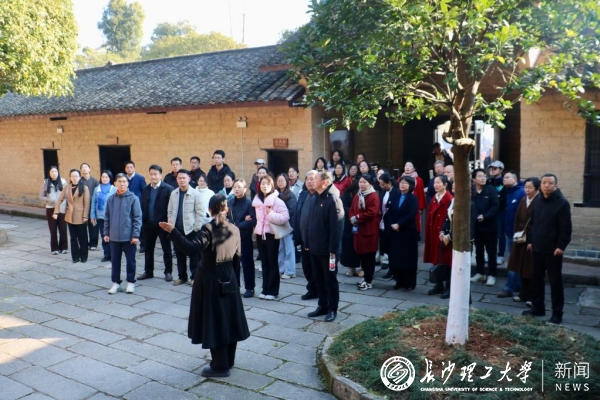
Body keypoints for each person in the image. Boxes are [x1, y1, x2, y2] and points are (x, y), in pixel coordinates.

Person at [160, 194, 250, 378]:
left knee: (215, 321)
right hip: (229, 278)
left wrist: (173, 232)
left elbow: (191, 248)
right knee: (229, 319)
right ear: (226, 209)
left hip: (210, 279)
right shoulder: (234, 228)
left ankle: (220, 366)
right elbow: (237, 257)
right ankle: (228, 360)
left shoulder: (209, 229)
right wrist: (231, 278)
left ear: (210, 210)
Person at [523, 173, 572, 325]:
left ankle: (557, 313)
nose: (546, 185)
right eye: (544, 182)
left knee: (555, 282)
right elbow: (533, 223)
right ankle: (538, 308)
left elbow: (566, 228)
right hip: (537, 247)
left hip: (553, 250)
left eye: (550, 183)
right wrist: (531, 241)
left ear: (556, 186)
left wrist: (561, 246)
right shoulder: (538, 200)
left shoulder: (562, 203)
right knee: (536, 279)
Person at [306, 170, 344, 322]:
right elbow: (310, 223)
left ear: (324, 182)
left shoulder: (333, 199)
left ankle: (332, 309)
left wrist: (333, 250)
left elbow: (337, 227)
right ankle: (322, 305)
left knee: (330, 280)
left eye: (315, 178)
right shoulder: (315, 198)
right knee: (318, 279)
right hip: (314, 248)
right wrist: (307, 242)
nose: (311, 181)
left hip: (328, 251)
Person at [252, 175, 290, 300]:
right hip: (260, 234)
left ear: (272, 185)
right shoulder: (257, 201)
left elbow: (285, 217)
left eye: (267, 184)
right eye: (263, 183)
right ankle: (265, 289)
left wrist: (271, 214)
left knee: (272, 262)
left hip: (272, 234)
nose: (265, 186)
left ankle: (273, 291)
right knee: (264, 263)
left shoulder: (277, 201)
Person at [104, 173, 142, 294]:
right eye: (119, 181)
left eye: (124, 181)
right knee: (115, 261)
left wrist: (135, 235)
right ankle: (116, 282)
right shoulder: (111, 199)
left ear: (128, 183)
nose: (122, 184)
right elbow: (107, 217)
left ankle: (131, 282)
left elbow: (137, 218)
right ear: (115, 183)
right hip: (114, 236)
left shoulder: (133, 198)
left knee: (130, 260)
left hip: (129, 237)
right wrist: (106, 233)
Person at [168, 169, 205, 286]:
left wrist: (196, 228)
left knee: (194, 255)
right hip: (176, 229)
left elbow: (200, 212)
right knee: (179, 254)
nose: (182, 180)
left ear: (189, 179)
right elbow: (170, 210)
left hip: (191, 229)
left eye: (184, 178)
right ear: (176, 179)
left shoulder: (195, 194)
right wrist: (171, 225)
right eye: (179, 178)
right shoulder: (174, 193)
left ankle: (194, 277)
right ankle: (182, 277)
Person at [138, 165, 175, 281]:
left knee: (166, 249)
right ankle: (148, 272)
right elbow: (143, 206)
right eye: (151, 174)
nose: (153, 176)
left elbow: (171, 207)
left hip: (163, 224)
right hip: (148, 224)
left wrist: (169, 223)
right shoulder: (146, 189)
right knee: (148, 249)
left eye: (155, 174)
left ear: (160, 175)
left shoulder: (168, 188)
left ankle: (168, 272)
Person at [508, 177, 539, 304]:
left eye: (530, 187)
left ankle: (532, 296)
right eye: (526, 187)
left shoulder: (539, 201)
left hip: (532, 238)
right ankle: (523, 294)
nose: (527, 190)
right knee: (520, 266)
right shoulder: (523, 199)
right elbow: (517, 218)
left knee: (530, 269)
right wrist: (516, 231)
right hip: (521, 237)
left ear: (537, 189)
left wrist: (532, 240)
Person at [349, 174, 381, 291]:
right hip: (359, 231)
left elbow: (372, 212)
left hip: (369, 230)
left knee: (369, 257)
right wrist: (352, 217)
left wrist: (357, 217)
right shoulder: (358, 194)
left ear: (370, 183)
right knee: (362, 256)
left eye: (364, 182)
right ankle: (365, 277)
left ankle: (369, 280)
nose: (361, 184)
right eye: (360, 182)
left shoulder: (373, 196)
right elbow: (352, 209)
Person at [424, 175, 454, 295]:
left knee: (447, 260)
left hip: (444, 233)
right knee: (436, 258)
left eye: (438, 183)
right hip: (434, 232)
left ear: (445, 185)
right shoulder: (434, 197)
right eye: (434, 183)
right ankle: (438, 284)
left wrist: (445, 232)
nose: (435, 185)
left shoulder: (449, 198)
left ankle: (448, 286)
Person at [497, 171, 525, 298]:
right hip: (509, 232)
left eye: (507, 177)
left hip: (518, 233)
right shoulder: (508, 192)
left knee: (513, 260)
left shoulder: (521, 192)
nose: (504, 179)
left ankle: (509, 287)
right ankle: (517, 286)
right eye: (504, 177)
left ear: (515, 179)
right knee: (513, 259)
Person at [388, 176, 419, 290]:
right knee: (397, 257)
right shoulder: (395, 195)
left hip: (407, 231)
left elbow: (412, 214)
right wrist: (392, 224)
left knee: (408, 258)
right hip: (395, 231)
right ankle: (399, 281)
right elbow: (389, 211)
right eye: (401, 182)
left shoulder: (413, 198)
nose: (402, 184)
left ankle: (410, 283)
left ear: (410, 186)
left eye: (405, 183)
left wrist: (399, 224)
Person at [470, 168, 500, 286]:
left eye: (484, 176)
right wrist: (475, 216)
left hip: (490, 226)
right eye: (480, 176)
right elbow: (469, 206)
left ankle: (492, 275)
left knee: (491, 252)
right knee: (478, 251)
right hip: (476, 226)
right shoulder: (471, 191)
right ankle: (480, 272)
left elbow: (495, 206)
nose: (483, 178)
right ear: (474, 179)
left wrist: (485, 216)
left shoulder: (491, 190)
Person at [53, 169, 90, 263]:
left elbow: (87, 203)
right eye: (72, 176)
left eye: (76, 176)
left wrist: (85, 216)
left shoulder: (84, 188)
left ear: (79, 177)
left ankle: (83, 256)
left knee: (82, 238)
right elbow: (59, 200)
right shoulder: (67, 187)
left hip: (81, 216)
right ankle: (75, 257)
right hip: (70, 216)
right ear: (70, 177)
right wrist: (56, 212)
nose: (74, 178)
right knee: (73, 238)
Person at [228, 179, 256, 298]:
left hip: (244, 237)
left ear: (245, 189)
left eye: (239, 187)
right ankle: (235, 286)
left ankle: (250, 287)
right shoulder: (229, 202)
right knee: (233, 262)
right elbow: (226, 217)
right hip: (231, 237)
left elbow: (253, 221)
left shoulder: (250, 203)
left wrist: (238, 226)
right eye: (235, 187)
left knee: (247, 262)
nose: (237, 189)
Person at [296, 170, 319, 299]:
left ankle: (319, 290)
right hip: (304, 237)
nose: (309, 181)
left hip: (315, 240)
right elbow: (298, 215)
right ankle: (312, 289)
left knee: (316, 268)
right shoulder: (303, 194)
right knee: (306, 267)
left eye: (312, 179)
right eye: (307, 179)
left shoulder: (320, 196)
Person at [40, 166, 68, 255]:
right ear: (49, 173)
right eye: (52, 172)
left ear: (58, 172)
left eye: (55, 171)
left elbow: (67, 195)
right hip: (50, 208)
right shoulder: (46, 182)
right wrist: (49, 200)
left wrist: (63, 203)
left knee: (63, 228)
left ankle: (64, 247)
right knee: (53, 229)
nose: (54, 173)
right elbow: (41, 196)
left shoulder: (63, 182)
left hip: (61, 208)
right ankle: (54, 248)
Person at [91, 170, 117, 262]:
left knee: (112, 236)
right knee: (104, 236)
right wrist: (92, 215)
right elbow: (94, 203)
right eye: (103, 177)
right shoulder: (97, 189)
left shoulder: (114, 189)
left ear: (110, 178)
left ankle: (113, 255)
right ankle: (106, 254)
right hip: (101, 217)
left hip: (112, 217)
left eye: (106, 177)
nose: (104, 179)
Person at [275, 173, 297, 279]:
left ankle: (290, 271)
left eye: (282, 180)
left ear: (287, 182)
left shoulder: (290, 195)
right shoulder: (277, 194)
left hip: (288, 225)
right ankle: (282, 269)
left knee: (289, 249)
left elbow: (291, 211)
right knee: (281, 248)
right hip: (280, 225)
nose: (280, 183)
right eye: (278, 181)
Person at [378, 173, 399, 279]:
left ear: (389, 183)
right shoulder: (382, 192)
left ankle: (394, 270)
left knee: (393, 248)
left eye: (383, 184)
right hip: (383, 222)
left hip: (392, 222)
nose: (381, 186)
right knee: (386, 246)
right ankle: (391, 269)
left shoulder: (396, 192)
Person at [340, 180, 362, 277]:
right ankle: (351, 267)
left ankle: (361, 267)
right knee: (349, 247)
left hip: (360, 223)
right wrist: (353, 212)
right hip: (348, 224)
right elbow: (343, 208)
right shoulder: (344, 196)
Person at [399, 161, 426, 236]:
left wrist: (420, 208)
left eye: (410, 166)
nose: (407, 167)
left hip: (414, 205)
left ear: (414, 168)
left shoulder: (419, 180)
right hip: (402, 204)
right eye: (406, 166)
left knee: (414, 222)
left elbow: (421, 194)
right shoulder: (400, 179)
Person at [488, 160, 507, 265]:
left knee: (500, 234)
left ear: (501, 170)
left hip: (500, 211)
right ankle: (490, 253)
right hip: (490, 210)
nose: (492, 170)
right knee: (490, 233)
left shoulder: (504, 181)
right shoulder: (489, 181)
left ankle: (500, 255)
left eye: (495, 168)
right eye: (491, 168)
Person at [80, 162, 99, 251]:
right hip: (82, 206)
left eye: (86, 167)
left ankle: (93, 243)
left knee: (93, 225)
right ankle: (85, 243)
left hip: (92, 205)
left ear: (89, 169)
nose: (84, 169)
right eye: (82, 168)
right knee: (82, 226)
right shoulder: (79, 181)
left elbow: (97, 193)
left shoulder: (94, 181)